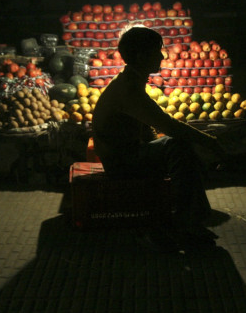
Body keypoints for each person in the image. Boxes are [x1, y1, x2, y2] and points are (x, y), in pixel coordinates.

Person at [92, 26, 225, 242]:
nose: (162, 56)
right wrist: (210, 142)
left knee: (178, 148)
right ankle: (188, 223)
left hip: (127, 154)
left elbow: (149, 127)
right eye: (157, 51)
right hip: (121, 162)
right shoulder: (129, 89)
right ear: (141, 56)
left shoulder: (131, 81)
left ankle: (186, 216)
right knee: (177, 145)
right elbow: (168, 125)